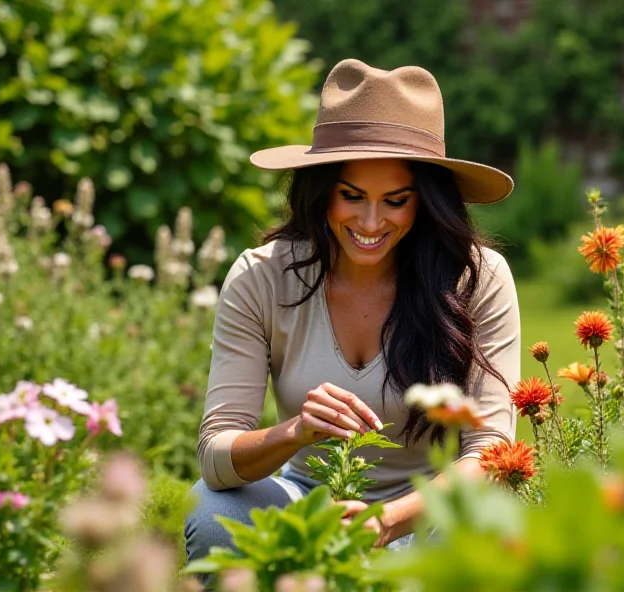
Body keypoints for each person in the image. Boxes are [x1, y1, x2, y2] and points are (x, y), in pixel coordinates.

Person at [184, 58, 521, 560]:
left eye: (396, 200)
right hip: (305, 502)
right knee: (213, 513)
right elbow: (215, 457)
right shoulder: (262, 276)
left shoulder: (478, 277)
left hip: (431, 511)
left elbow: (493, 452)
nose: (370, 221)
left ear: (424, 201)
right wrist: (293, 431)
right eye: (351, 195)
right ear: (321, 193)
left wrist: (385, 522)